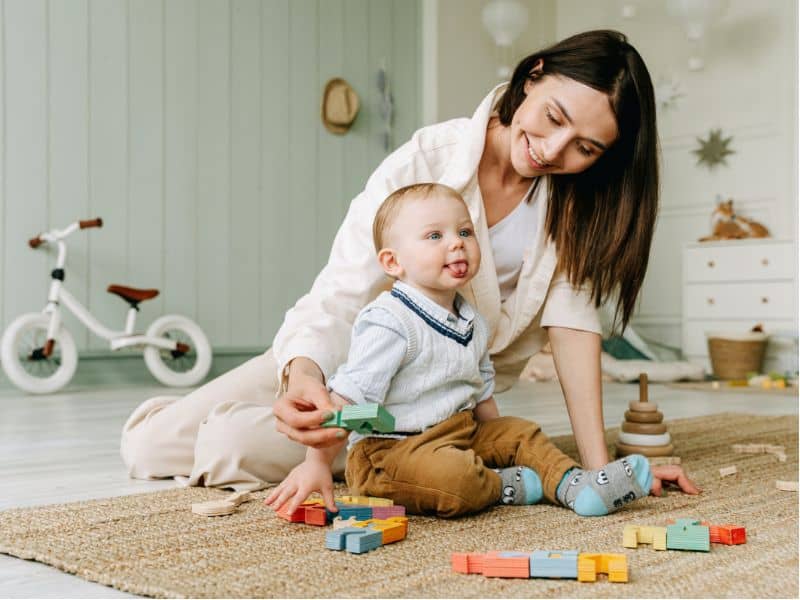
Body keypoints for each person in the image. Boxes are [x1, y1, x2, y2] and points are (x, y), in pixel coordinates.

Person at [120, 30, 699, 498]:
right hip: (348, 355)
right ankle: (247, 413)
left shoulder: (576, 208)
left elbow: (573, 331)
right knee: (147, 447)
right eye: (553, 117)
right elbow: (341, 292)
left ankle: (394, 453)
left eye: (585, 147)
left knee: (228, 447)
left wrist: (599, 470)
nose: (553, 149)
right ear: (533, 75)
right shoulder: (429, 159)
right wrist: (302, 375)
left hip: (433, 404)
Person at [265, 182, 659, 518]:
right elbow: (349, 401)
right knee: (456, 479)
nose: (457, 243)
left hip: (458, 431)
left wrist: (500, 442)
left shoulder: (471, 318)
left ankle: (578, 486)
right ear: (393, 261)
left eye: (465, 233)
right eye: (435, 236)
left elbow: (480, 389)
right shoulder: (390, 320)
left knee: (523, 433)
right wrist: (316, 463)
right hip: (391, 453)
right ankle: (501, 485)